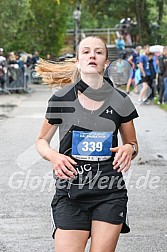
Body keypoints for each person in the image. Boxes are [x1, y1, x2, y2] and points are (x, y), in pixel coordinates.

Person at [35, 36, 138, 252]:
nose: (93, 55)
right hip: (70, 192)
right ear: (77, 61)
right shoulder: (60, 100)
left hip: (109, 191)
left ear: (106, 63)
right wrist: (54, 156)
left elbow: (132, 143)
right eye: (86, 52)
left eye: (99, 52)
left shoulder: (121, 100)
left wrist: (129, 149)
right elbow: (41, 141)